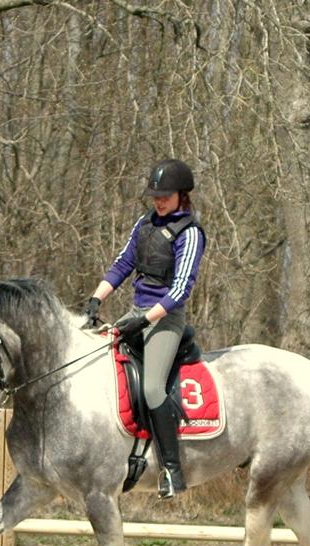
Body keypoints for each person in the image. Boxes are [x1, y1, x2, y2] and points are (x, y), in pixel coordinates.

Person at [82, 158, 207, 499]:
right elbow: (123, 263)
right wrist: (96, 299)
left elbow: (181, 288)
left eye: (165, 195)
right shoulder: (144, 224)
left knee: (152, 388)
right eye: (155, 195)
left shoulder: (191, 234)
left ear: (182, 195)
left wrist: (146, 319)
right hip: (136, 311)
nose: (159, 201)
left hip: (165, 320)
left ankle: (171, 470)